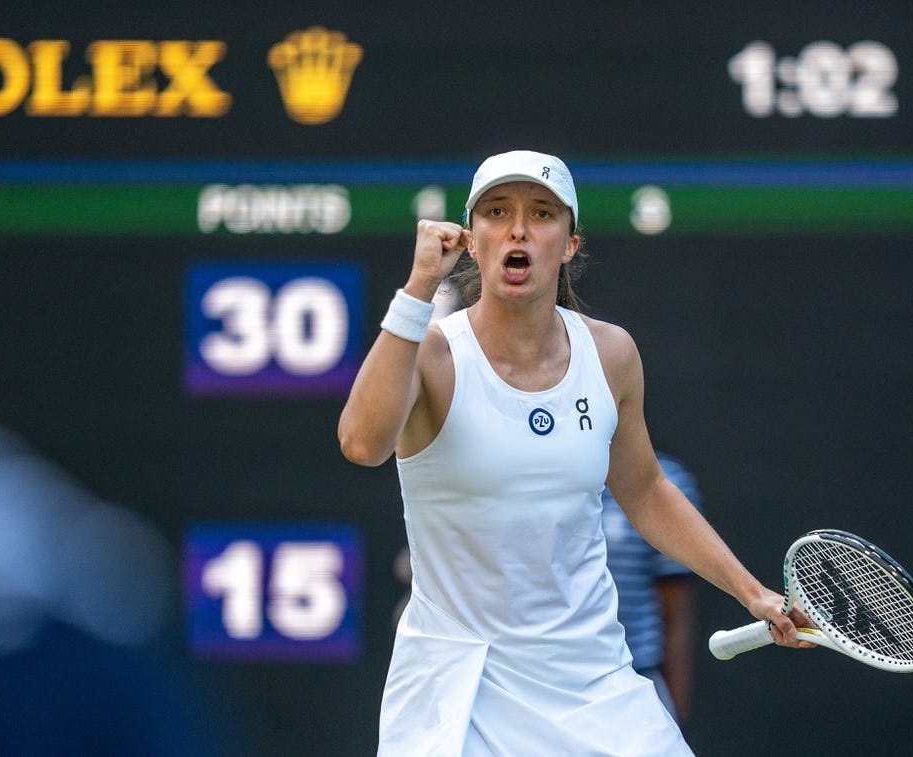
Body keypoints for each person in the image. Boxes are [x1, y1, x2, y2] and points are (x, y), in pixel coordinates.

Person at [338, 149, 812, 756]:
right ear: (472, 238)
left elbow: (645, 491)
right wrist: (418, 287)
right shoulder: (431, 354)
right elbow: (361, 442)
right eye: (497, 212)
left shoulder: (611, 355)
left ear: (568, 244)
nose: (517, 229)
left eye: (541, 214)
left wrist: (756, 594)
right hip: (460, 691)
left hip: (594, 682)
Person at [603, 452, 701, 728]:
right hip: (546, 682)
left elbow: (676, 611)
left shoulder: (670, 481)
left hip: (636, 679)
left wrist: (673, 718)